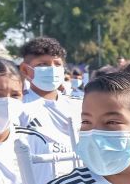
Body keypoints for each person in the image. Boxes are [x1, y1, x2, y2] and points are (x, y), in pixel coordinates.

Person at [17, 37, 83, 165]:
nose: (52, 69)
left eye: (57, 64)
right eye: (42, 64)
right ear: (25, 70)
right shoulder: (19, 107)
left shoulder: (80, 105)